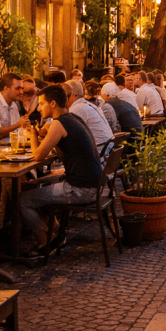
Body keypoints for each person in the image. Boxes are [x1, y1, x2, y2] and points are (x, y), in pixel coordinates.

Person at [22, 85, 103, 250]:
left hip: (81, 188)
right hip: (93, 184)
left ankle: (45, 240)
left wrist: (32, 133)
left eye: (41, 103)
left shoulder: (58, 124)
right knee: (33, 185)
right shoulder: (73, 117)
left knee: (23, 200)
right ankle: (56, 230)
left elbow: (38, 156)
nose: (38, 108)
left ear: (52, 104)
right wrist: (41, 133)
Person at [62, 79, 114, 150]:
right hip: (107, 151)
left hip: (99, 154)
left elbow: (64, 136)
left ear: (72, 95)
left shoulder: (76, 109)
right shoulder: (87, 105)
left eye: (63, 95)